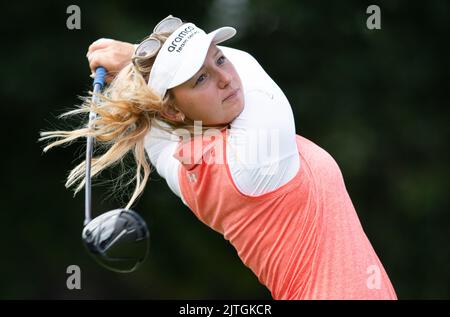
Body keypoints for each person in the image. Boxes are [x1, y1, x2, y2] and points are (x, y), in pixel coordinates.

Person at [41, 15, 397, 299]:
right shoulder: (256, 159)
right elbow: (250, 69)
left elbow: (154, 113)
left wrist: (139, 71)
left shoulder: (183, 162)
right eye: (200, 79)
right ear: (174, 111)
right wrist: (134, 55)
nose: (225, 78)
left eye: (219, 59)